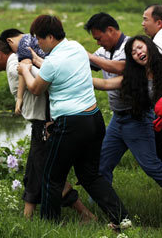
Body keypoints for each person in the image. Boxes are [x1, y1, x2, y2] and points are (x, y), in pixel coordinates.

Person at [18, 15, 128, 226]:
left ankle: (48, 226)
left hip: (71, 124)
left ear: (50, 37)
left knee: (52, 178)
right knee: (90, 176)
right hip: (94, 119)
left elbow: (35, 88)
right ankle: (122, 218)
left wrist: (24, 69)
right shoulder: (76, 48)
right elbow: (56, 68)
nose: (38, 45)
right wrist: (35, 59)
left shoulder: (53, 62)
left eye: (39, 40)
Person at [0, 37, 93, 220]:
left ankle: (85, 215)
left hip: (45, 124)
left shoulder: (13, 67)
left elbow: (44, 82)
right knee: (34, 171)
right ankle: (28, 217)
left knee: (46, 173)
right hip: (40, 124)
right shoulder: (17, 62)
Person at [92, 35, 162, 206]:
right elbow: (105, 84)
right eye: (133, 52)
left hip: (142, 122)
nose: (138, 53)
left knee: (153, 166)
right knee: (102, 165)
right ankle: (105, 208)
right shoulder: (135, 77)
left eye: (140, 48)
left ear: (149, 46)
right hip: (118, 121)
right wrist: (71, 77)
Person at [0, 29, 46, 115]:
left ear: (9, 40)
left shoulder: (22, 44)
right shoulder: (33, 37)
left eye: (13, 51)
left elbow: (24, 67)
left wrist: (19, 98)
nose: (15, 54)